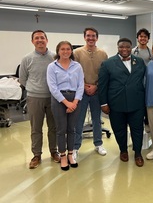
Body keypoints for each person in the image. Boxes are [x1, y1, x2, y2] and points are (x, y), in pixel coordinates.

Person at [98, 38, 146, 167]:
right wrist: (103, 103)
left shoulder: (139, 62)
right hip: (116, 103)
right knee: (119, 130)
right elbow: (102, 86)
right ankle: (123, 150)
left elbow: (144, 81)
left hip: (137, 103)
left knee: (137, 130)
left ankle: (138, 153)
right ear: (117, 48)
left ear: (131, 48)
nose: (124, 49)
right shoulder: (108, 63)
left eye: (127, 47)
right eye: (121, 47)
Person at [19, 30, 60, 169]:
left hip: (53, 98)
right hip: (34, 98)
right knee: (36, 128)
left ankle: (54, 152)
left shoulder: (55, 57)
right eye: (36, 38)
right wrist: (34, 89)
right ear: (32, 41)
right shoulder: (27, 58)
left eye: (42, 38)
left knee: (53, 127)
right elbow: (23, 79)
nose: (40, 40)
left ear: (47, 40)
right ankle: (36, 155)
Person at [47, 41, 84, 171]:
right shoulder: (52, 67)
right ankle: (62, 155)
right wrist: (66, 103)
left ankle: (70, 155)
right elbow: (53, 87)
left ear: (71, 51)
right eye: (62, 49)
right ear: (58, 51)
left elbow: (81, 85)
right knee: (61, 130)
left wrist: (75, 102)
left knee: (71, 129)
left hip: (75, 98)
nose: (65, 51)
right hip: (59, 100)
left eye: (68, 49)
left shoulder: (77, 66)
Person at [73, 27, 108, 159]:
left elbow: (104, 74)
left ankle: (98, 144)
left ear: (97, 38)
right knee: (79, 120)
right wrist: (84, 85)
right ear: (84, 37)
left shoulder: (103, 54)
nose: (91, 38)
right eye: (88, 36)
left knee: (97, 120)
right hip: (81, 92)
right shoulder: (76, 53)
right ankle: (75, 147)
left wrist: (96, 86)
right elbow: (74, 72)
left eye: (93, 36)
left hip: (96, 92)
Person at [132, 28, 152, 133]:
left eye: (145, 37)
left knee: (147, 102)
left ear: (148, 39)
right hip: (136, 81)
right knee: (138, 103)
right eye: (141, 36)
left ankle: (148, 123)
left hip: (148, 81)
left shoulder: (151, 52)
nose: (143, 38)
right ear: (138, 38)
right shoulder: (132, 51)